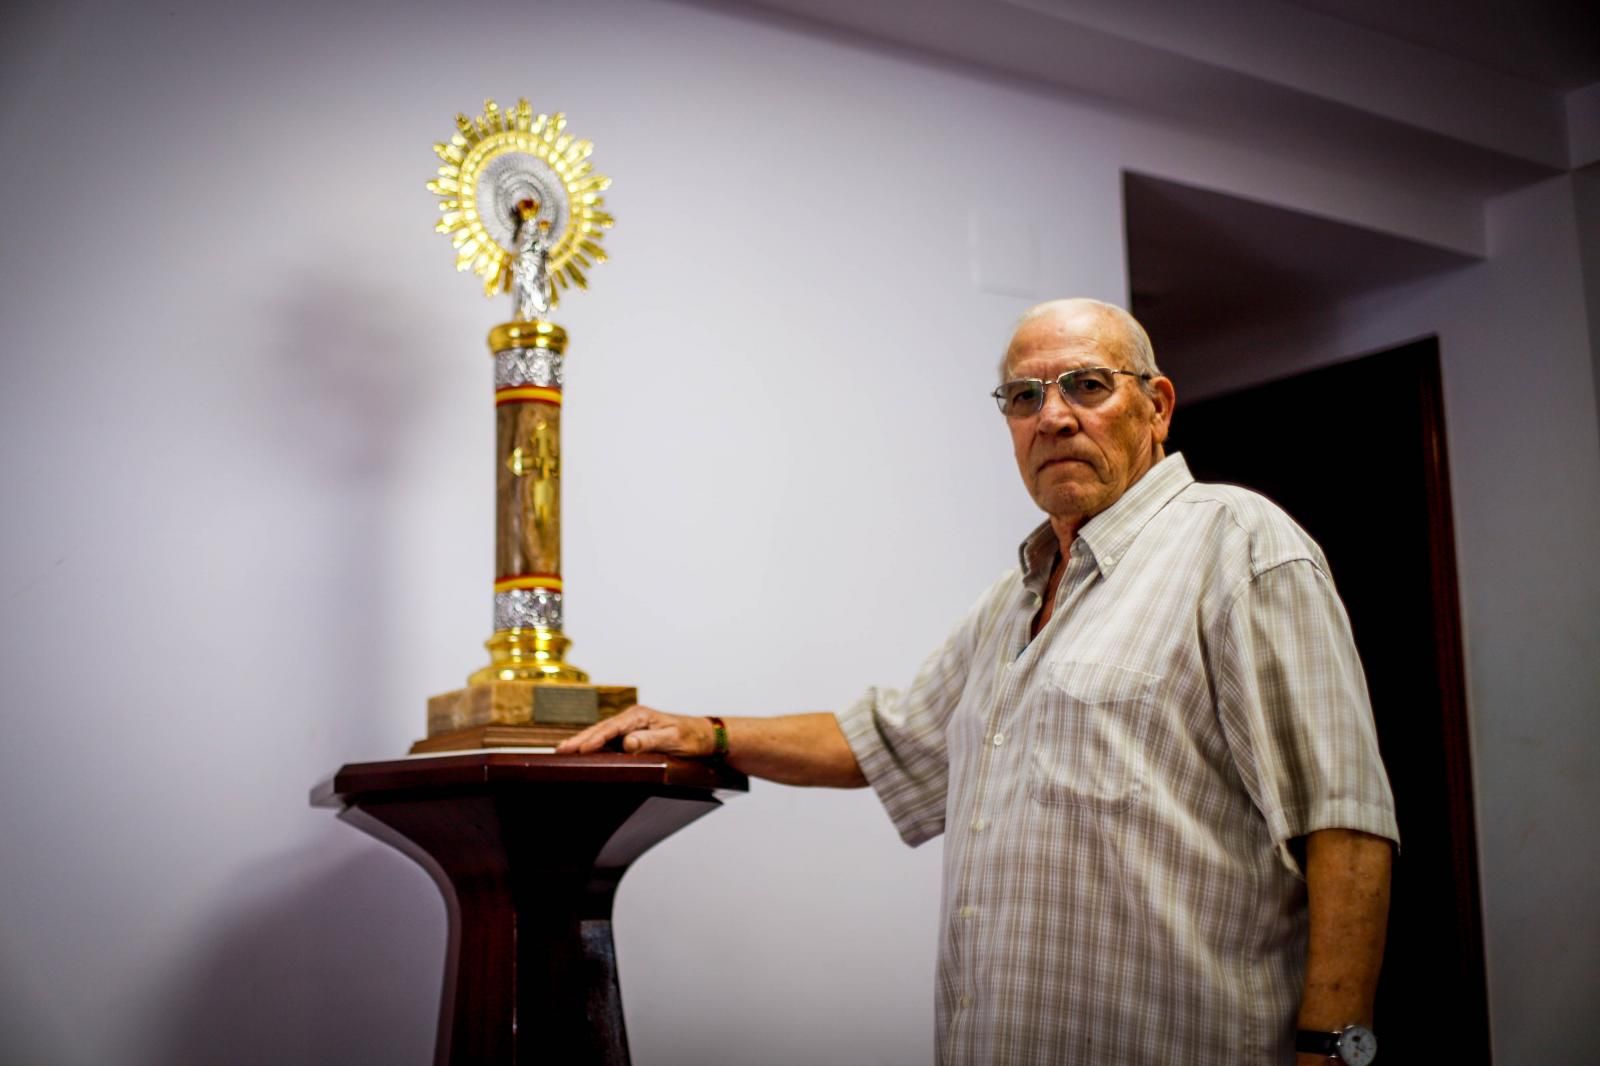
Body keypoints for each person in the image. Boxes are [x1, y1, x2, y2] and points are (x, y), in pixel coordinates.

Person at [559, 298, 1398, 1065]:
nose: (1054, 416)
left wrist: (1331, 1049)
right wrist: (708, 734)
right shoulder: (1015, 597)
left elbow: (1345, 822)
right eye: (1024, 397)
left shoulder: (1240, 544)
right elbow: (885, 741)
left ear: (1157, 405)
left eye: (1087, 386)